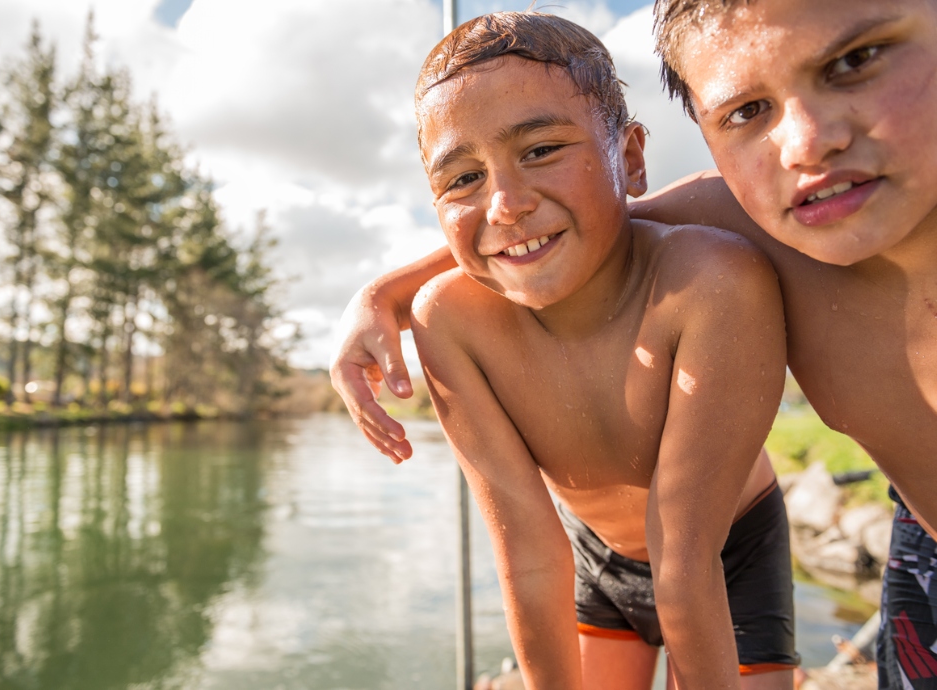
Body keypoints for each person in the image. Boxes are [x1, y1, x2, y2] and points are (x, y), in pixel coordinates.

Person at [331, 2, 937, 687]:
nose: (806, 142)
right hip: (915, 551)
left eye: (855, 62)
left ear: (632, 157)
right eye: (746, 112)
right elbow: (580, 229)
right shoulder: (771, 202)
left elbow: (599, 219)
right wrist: (383, 293)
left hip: (731, 544)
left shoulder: (720, 263)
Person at [392, 12, 797, 690]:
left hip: (730, 551)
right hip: (597, 558)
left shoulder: (711, 282)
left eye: (541, 149)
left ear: (631, 159)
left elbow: (685, 557)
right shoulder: (451, 322)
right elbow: (527, 551)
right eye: (462, 178)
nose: (507, 205)